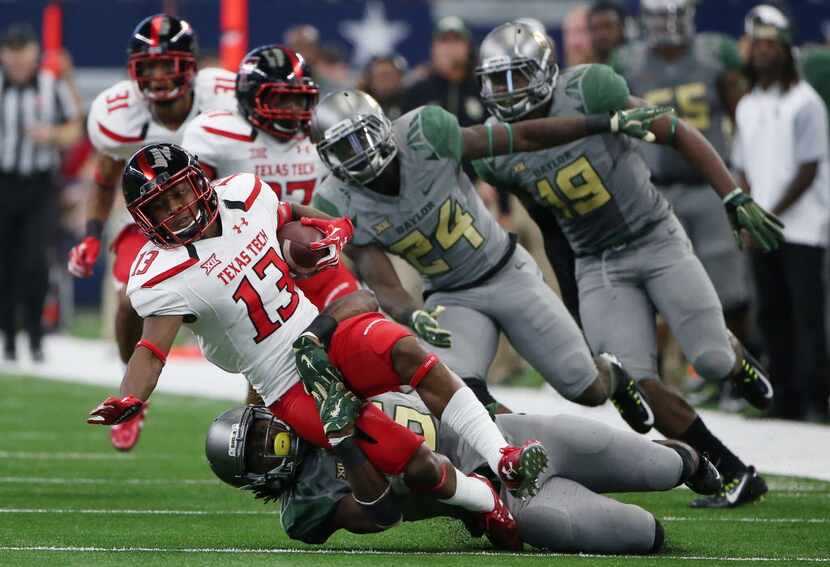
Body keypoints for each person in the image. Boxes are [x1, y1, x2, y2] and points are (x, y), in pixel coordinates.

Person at [84, 143, 550, 534]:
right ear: (144, 219)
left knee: (409, 351)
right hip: (286, 382)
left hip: (321, 331)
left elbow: (287, 212)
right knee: (412, 463)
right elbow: (152, 349)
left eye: (178, 193)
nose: (176, 209)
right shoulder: (162, 273)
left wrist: (326, 224)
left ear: (198, 182)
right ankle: (484, 499)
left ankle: (502, 454)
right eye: (160, 206)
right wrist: (131, 397)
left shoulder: (242, 194)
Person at [472, 21, 778, 508]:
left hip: (655, 238)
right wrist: (573, 299)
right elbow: (549, 225)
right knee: (635, 383)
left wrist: (732, 193)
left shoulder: (590, 88)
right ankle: (733, 472)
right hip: (599, 263)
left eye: (520, 77)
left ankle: (734, 355)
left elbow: (675, 131)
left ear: (548, 72)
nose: (510, 93)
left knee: (711, 360)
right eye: (499, 81)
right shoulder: (496, 150)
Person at [310, 89, 670, 430]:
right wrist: (411, 314)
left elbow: (520, 137)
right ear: (327, 157)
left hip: (506, 271)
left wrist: (599, 124)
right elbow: (383, 281)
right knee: (455, 393)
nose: (361, 152)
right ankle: (528, 447)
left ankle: (611, 374)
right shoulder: (335, 202)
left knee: (586, 390)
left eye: (365, 136)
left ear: (384, 126)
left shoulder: (425, 134)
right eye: (344, 147)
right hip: (450, 296)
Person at [205, 393, 720, 553]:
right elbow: (380, 513)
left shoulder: (312, 382)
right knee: (643, 536)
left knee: (664, 465)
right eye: (257, 453)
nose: (270, 443)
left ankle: (690, 461)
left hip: (510, 437)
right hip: (499, 500)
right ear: (255, 480)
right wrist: (345, 441)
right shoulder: (306, 507)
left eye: (261, 431)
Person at [66, 14, 237, 451]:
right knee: (128, 303)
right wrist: (90, 234)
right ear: (135, 71)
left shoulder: (225, 96)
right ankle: (133, 396)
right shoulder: (118, 114)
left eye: (169, 64)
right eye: (151, 66)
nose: (160, 76)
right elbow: (104, 178)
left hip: (217, 217)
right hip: (146, 224)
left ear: (191, 65)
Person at [182, 44, 361, 404]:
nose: (293, 110)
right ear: (250, 98)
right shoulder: (218, 134)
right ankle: (262, 439)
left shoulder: (320, 134)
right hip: (253, 262)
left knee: (356, 324)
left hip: (313, 252)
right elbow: (197, 207)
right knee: (273, 366)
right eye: (282, 98)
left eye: (300, 100)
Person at [613, 0, 752, 346]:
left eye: (670, 16)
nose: (664, 26)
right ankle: (663, 373)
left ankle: (739, 371)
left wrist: (743, 177)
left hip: (708, 185)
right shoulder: (628, 61)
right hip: (656, 190)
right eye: (657, 18)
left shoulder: (715, 54)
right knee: (660, 288)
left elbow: (743, 118)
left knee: (729, 289)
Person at [734, 5, 830, 421]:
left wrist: (765, 215)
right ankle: (786, 398)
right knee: (771, 315)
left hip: (804, 229)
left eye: (771, 45)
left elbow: (808, 169)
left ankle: (817, 398)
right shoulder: (747, 104)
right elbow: (741, 167)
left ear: (786, 50)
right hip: (763, 230)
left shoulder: (805, 102)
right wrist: (745, 210)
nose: (762, 53)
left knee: (807, 317)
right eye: (757, 44)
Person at [0, 22, 82, 362]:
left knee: (35, 263)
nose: (18, 59)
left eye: (24, 51)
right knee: (5, 263)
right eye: (11, 51)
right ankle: (7, 337)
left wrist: (52, 135)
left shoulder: (51, 86)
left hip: (39, 186)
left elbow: (75, 128)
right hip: (3, 183)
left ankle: (34, 337)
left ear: (35, 53)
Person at [402, 17, 484, 127]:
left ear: (469, 47)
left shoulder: (482, 90)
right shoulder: (417, 93)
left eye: (456, 40)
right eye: (444, 41)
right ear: (433, 48)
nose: (450, 48)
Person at [360, 55, 407, 120]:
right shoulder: (360, 103)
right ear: (370, 78)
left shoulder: (409, 101)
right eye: (381, 75)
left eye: (389, 75)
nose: (385, 80)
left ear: (399, 78)